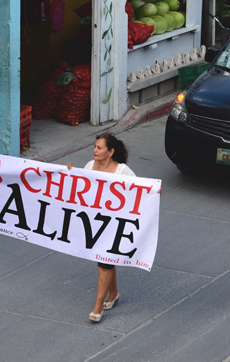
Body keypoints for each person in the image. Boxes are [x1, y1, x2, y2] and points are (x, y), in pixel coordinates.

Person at [66, 133, 158, 323]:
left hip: (115, 226)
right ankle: (114, 293)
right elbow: (80, 188)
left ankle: (97, 307)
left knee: (104, 262)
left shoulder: (122, 172)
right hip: (94, 224)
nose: (95, 150)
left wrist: (153, 190)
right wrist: (71, 173)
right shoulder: (89, 167)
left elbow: (140, 190)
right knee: (106, 258)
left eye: (99, 148)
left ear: (111, 152)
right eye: (95, 146)